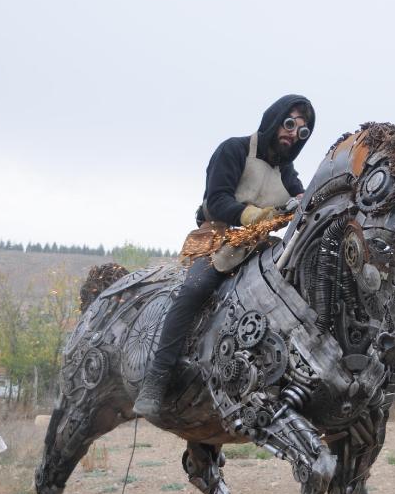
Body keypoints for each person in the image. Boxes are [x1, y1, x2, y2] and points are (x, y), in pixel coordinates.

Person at [133, 94, 315, 419]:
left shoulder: (287, 172)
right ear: (274, 119)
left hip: (259, 246)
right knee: (195, 289)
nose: (293, 133)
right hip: (217, 239)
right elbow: (216, 201)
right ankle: (156, 380)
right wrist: (257, 216)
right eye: (290, 124)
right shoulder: (233, 149)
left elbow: (301, 201)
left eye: (302, 131)